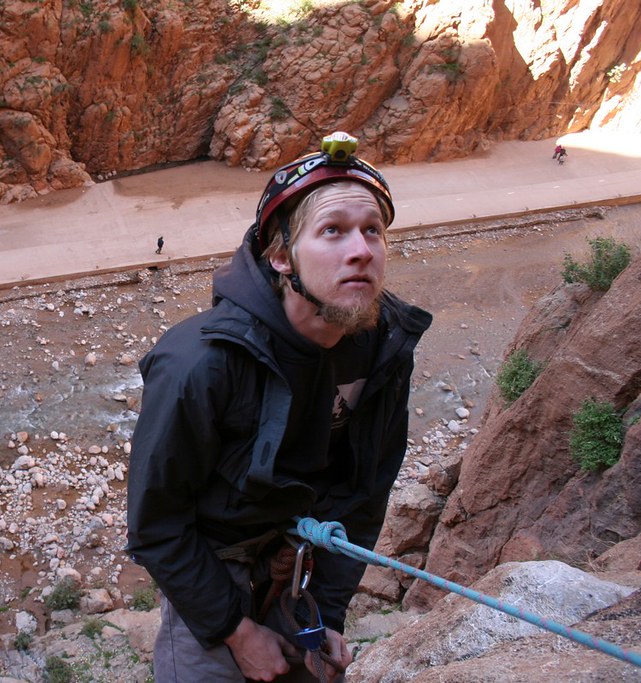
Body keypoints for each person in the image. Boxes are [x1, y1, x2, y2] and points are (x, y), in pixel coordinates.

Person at [126, 131, 432, 682]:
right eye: (332, 231)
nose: (361, 249)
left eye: (373, 231)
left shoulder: (384, 346)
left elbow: (365, 492)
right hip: (212, 563)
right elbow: (157, 526)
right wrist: (236, 633)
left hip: (306, 559)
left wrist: (330, 611)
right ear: (281, 256)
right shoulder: (199, 364)